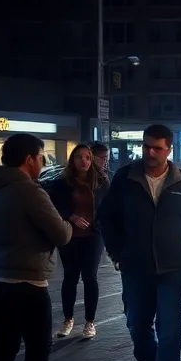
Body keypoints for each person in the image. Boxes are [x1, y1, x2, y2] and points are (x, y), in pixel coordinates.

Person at [99, 124, 181, 361]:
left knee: (169, 325)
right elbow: (107, 217)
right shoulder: (126, 178)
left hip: (172, 266)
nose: (149, 152)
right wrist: (116, 251)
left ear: (168, 150)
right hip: (135, 265)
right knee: (137, 323)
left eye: (156, 148)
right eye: (146, 146)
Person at [0, 133, 73, 361]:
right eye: (41, 157)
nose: (43, 162)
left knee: (3, 350)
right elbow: (62, 234)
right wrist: (67, 223)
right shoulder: (30, 192)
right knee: (38, 349)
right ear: (29, 159)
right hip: (28, 282)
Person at [47, 144, 110, 340]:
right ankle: (68, 319)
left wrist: (101, 224)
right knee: (70, 278)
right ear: (73, 160)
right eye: (79, 157)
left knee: (90, 277)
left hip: (93, 236)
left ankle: (89, 322)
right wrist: (71, 216)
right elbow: (53, 207)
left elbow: (109, 207)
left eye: (87, 158)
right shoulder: (62, 183)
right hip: (69, 236)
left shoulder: (101, 182)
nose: (84, 161)